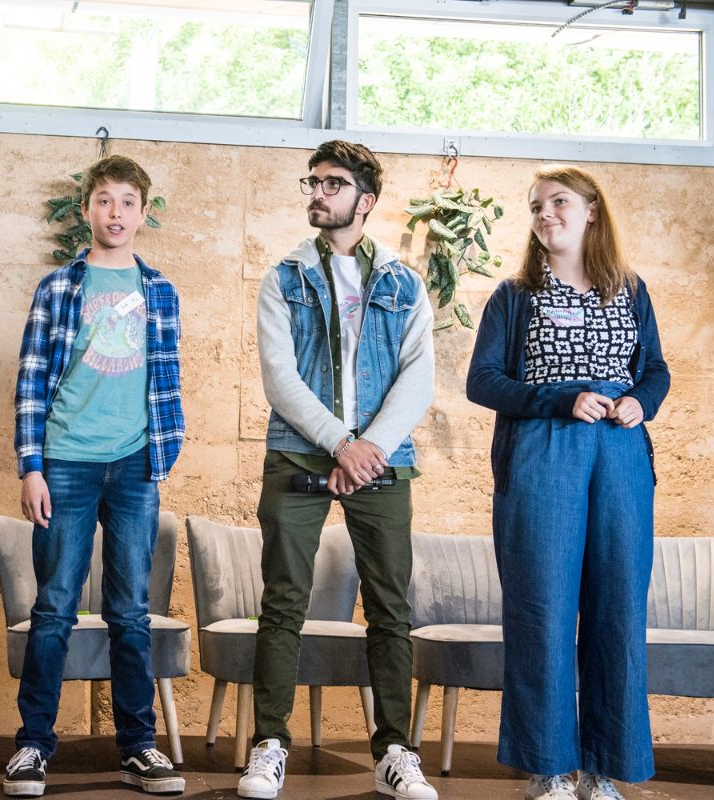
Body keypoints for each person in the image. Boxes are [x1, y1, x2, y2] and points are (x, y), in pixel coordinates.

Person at [240, 140, 437, 800]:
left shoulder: (405, 284)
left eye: (332, 184)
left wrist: (369, 447)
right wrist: (339, 444)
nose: (317, 193)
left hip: (383, 460)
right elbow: (280, 378)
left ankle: (395, 752)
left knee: (390, 608)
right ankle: (269, 745)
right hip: (298, 453)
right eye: (314, 182)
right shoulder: (284, 278)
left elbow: (419, 378)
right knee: (284, 602)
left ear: (366, 200)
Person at [466, 165, 669, 800]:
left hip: (621, 456)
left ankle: (603, 767)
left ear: (590, 212)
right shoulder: (514, 294)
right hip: (543, 455)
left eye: (558, 202)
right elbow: (483, 382)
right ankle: (549, 767)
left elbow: (656, 370)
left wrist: (642, 401)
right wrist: (560, 398)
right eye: (535, 206)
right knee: (543, 610)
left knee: (617, 610)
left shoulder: (632, 291)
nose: (545, 213)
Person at [4, 155, 185, 798]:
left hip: (136, 465)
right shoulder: (58, 288)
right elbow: (29, 382)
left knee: (131, 613)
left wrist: (164, 452)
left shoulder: (159, 290)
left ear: (143, 212)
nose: (115, 213)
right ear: (87, 210)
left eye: (128, 202)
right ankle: (32, 746)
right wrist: (32, 466)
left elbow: (167, 379)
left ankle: (139, 747)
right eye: (104, 200)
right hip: (67, 463)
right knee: (53, 608)